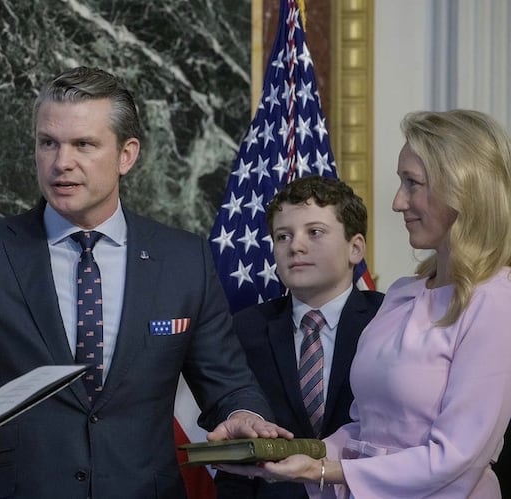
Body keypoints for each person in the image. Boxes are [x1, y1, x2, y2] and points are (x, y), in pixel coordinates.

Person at [0, 66, 291, 499]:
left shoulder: (184, 260)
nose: (61, 162)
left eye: (83, 144)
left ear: (126, 155)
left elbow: (228, 383)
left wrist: (245, 415)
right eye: (48, 143)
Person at [212, 109, 511, 498]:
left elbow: (456, 457)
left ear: (463, 187)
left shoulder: (496, 301)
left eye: (412, 183)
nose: (398, 202)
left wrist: (323, 470)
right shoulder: (404, 294)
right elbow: (364, 431)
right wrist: (284, 457)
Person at [214, 175, 384, 499]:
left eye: (314, 232)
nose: (295, 246)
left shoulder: (388, 320)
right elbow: (235, 452)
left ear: (355, 248)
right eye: (283, 236)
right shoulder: (245, 328)